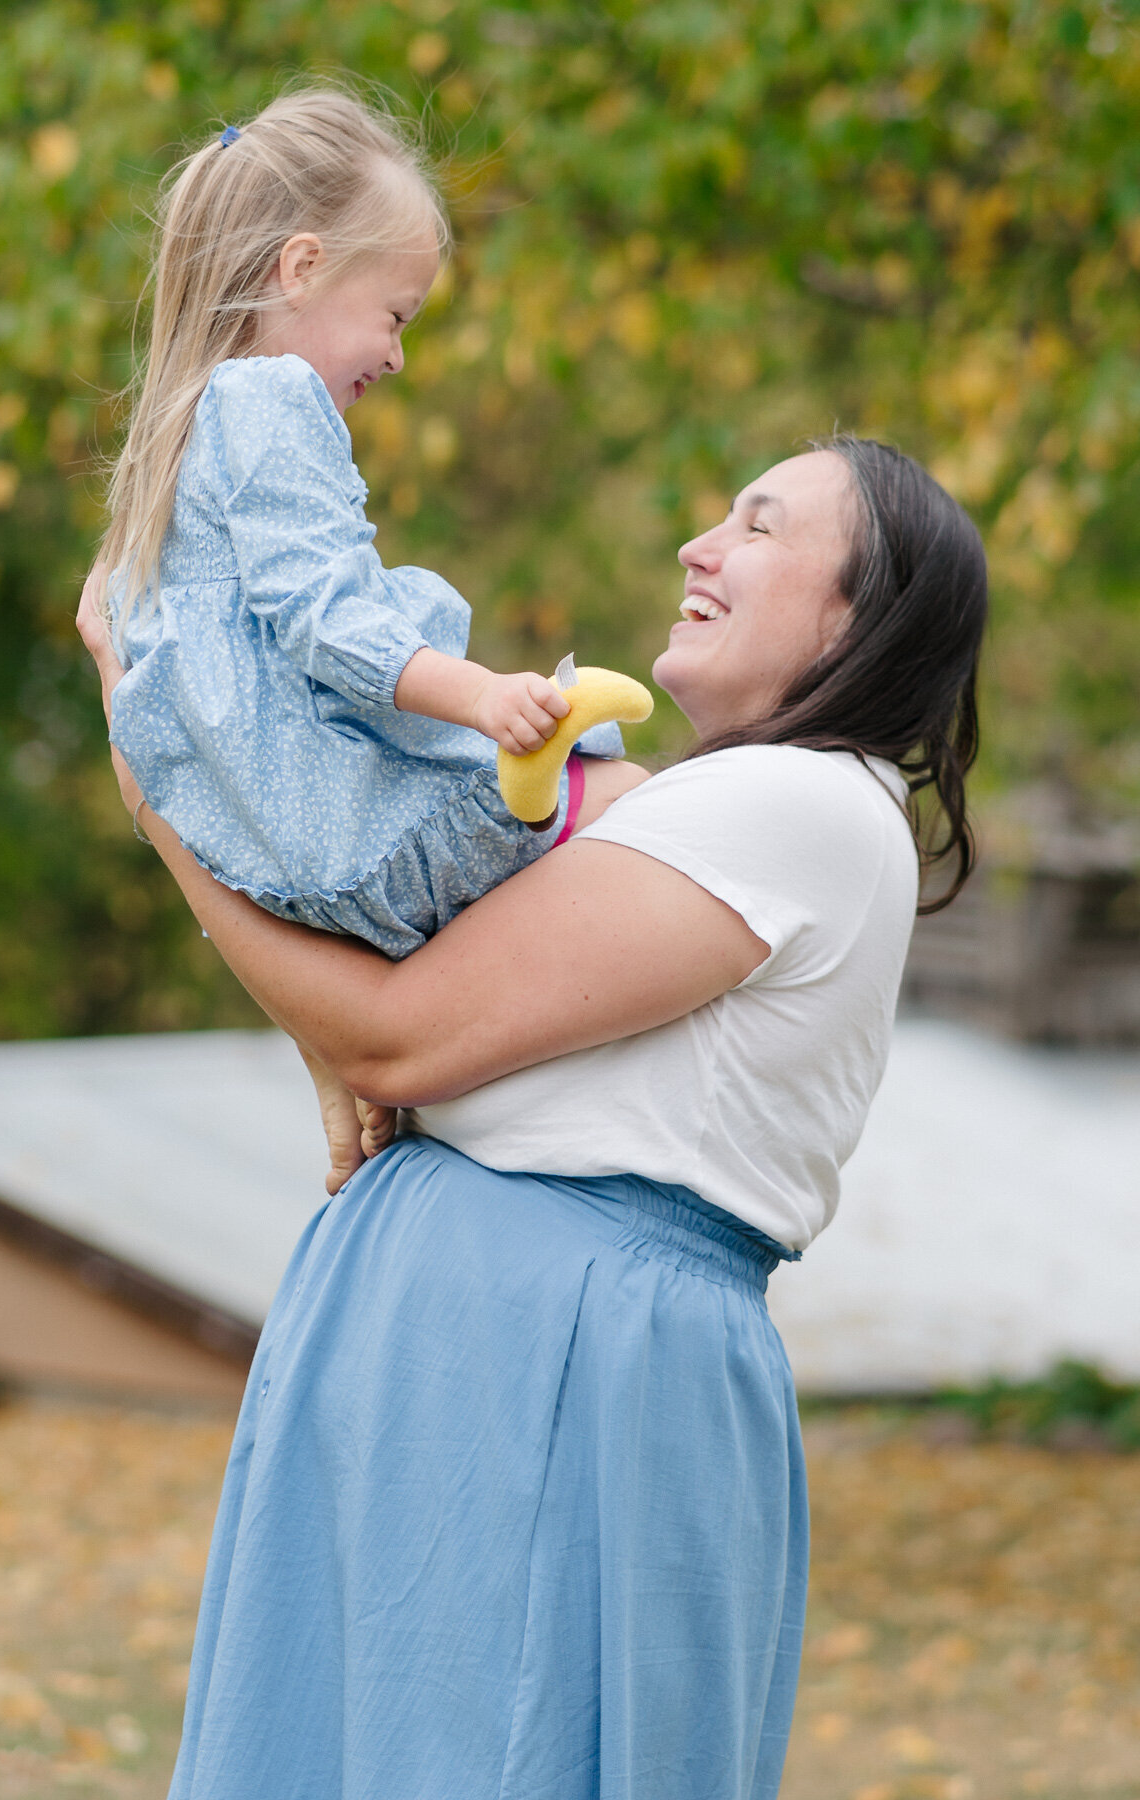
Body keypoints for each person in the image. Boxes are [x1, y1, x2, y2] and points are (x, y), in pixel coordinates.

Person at [78, 435, 988, 1800]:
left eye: (755, 525)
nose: (699, 546)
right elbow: (375, 988)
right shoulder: (684, 802)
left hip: (549, 1353)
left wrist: (153, 777)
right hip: (463, 1331)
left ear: (860, 612)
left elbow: (398, 1032)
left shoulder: (797, 800)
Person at [99, 84, 640, 1177]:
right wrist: (485, 697)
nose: (396, 356)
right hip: (365, 833)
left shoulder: (166, 466)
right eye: (395, 314)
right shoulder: (267, 400)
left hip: (293, 874)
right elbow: (326, 616)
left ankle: (347, 1079)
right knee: (619, 794)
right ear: (300, 268)